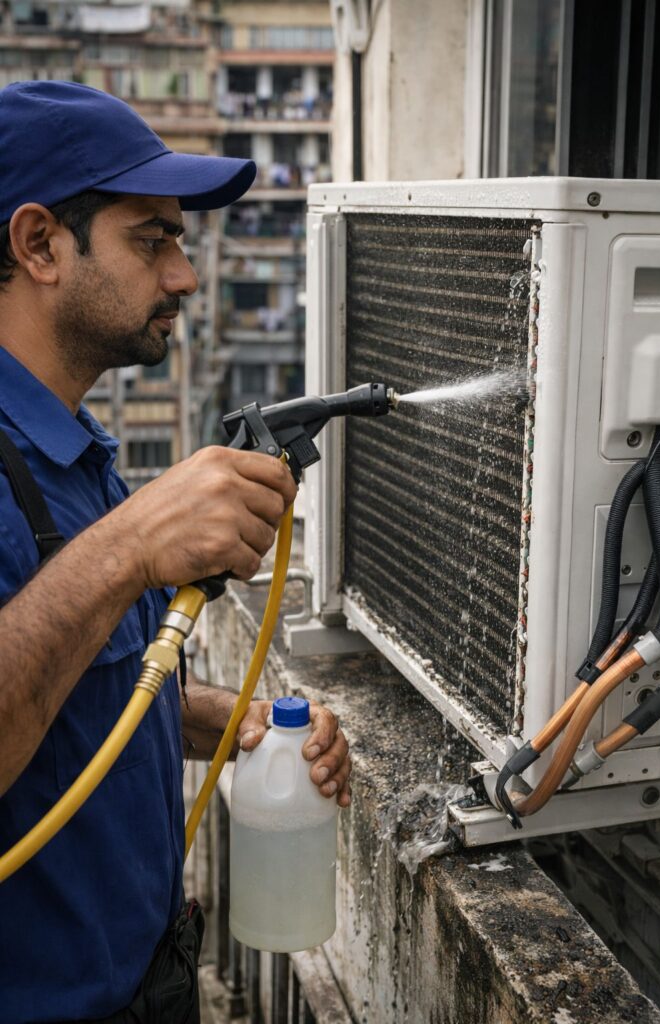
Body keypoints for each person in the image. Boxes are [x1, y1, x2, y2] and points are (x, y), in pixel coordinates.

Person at [0, 80, 352, 1023]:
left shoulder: (69, 453)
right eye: (151, 239)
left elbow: (87, 688)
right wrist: (131, 545)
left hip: (147, 983)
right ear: (39, 244)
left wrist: (235, 727)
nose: (185, 278)